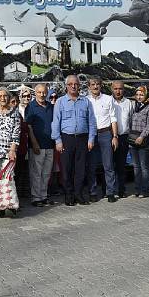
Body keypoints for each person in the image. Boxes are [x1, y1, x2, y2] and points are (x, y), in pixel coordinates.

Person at [51, 75, 97, 206]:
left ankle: (78, 194)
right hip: (66, 138)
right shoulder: (60, 102)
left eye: (75, 84)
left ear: (79, 85)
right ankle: (69, 195)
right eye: (70, 84)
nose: (73, 86)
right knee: (66, 169)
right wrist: (58, 141)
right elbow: (55, 122)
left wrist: (91, 138)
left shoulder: (86, 101)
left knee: (80, 169)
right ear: (66, 86)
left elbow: (92, 122)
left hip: (83, 139)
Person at [86, 76, 118, 202]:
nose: (95, 86)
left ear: (101, 85)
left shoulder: (108, 99)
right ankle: (93, 192)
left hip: (106, 133)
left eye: (97, 84)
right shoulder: (85, 100)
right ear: (89, 86)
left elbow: (113, 118)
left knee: (108, 165)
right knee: (91, 165)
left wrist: (115, 136)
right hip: (91, 135)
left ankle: (110, 192)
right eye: (93, 84)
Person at [0, 87, 21, 216]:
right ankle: (1, 206)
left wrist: (13, 149)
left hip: (9, 150)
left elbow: (16, 132)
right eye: (0, 96)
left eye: (5, 96)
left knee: (10, 176)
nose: (3, 98)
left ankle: (12, 203)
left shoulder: (15, 112)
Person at [25, 83, 55, 207]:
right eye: (39, 92)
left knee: (46, 172)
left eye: (44, 92)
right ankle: (36, 197)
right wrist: (34, 142)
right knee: (36, 172)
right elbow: (28, 126)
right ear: (35, 93)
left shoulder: (50, 106)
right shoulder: (31, 106)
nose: (42, 95)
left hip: (50, 144)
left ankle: (43, 196)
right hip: (37, 145)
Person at [129, 86, 149, 198]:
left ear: (146, 95)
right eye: (137, 94)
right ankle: (137, 189)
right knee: (136, 166)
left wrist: (142, 136)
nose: (139, 97)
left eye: (141, 94)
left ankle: (145, 190)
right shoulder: (134, 106)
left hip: (145, 141)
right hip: (133, 140)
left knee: (144, 166)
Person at [112, 80, 134, 198]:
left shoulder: (128, 103)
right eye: (115, 89)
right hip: (110, 137)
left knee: (121, 165)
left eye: (120, 88)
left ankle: (122, 189)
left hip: (124, 137)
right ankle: (109, 190)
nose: (118, 91)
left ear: (123, 89)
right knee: (109, 165)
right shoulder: (108, 101)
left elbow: (131, 119)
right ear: (112, 89)